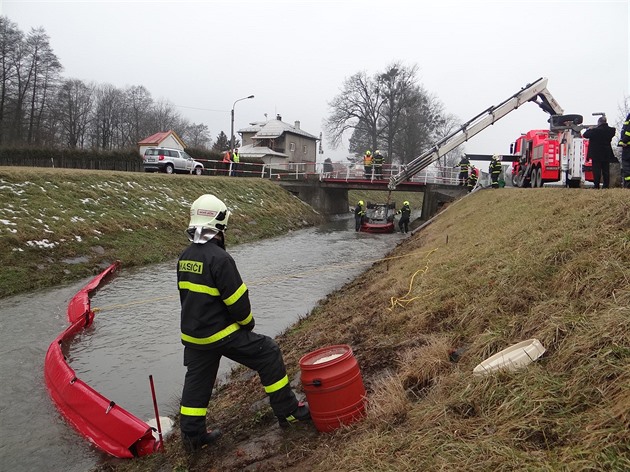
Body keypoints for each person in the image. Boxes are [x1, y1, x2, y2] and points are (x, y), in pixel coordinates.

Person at [177, 194, 310, 452]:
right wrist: (247, 325)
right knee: (268, 353)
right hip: (221, 334)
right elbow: (238, 303)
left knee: (197, 383)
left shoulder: (185, 256)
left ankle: (192, 437)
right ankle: (289, 412)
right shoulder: (221, 259)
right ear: (219, 225)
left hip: (194, 337)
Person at [583, 116, 617, 189]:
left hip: (596, 154)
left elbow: (585, 135)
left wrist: (589, 129)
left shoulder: (595, 131)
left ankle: (596, 186)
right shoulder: (611, 130)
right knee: (606, 170)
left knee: (596, 170)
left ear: (599, 122)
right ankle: (606, 186)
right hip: (606, 153)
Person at [617, 113, 630, 189]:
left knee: (627, 167)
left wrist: (623, 141)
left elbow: (628, 132)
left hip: (627, 148)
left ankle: (628, 186)